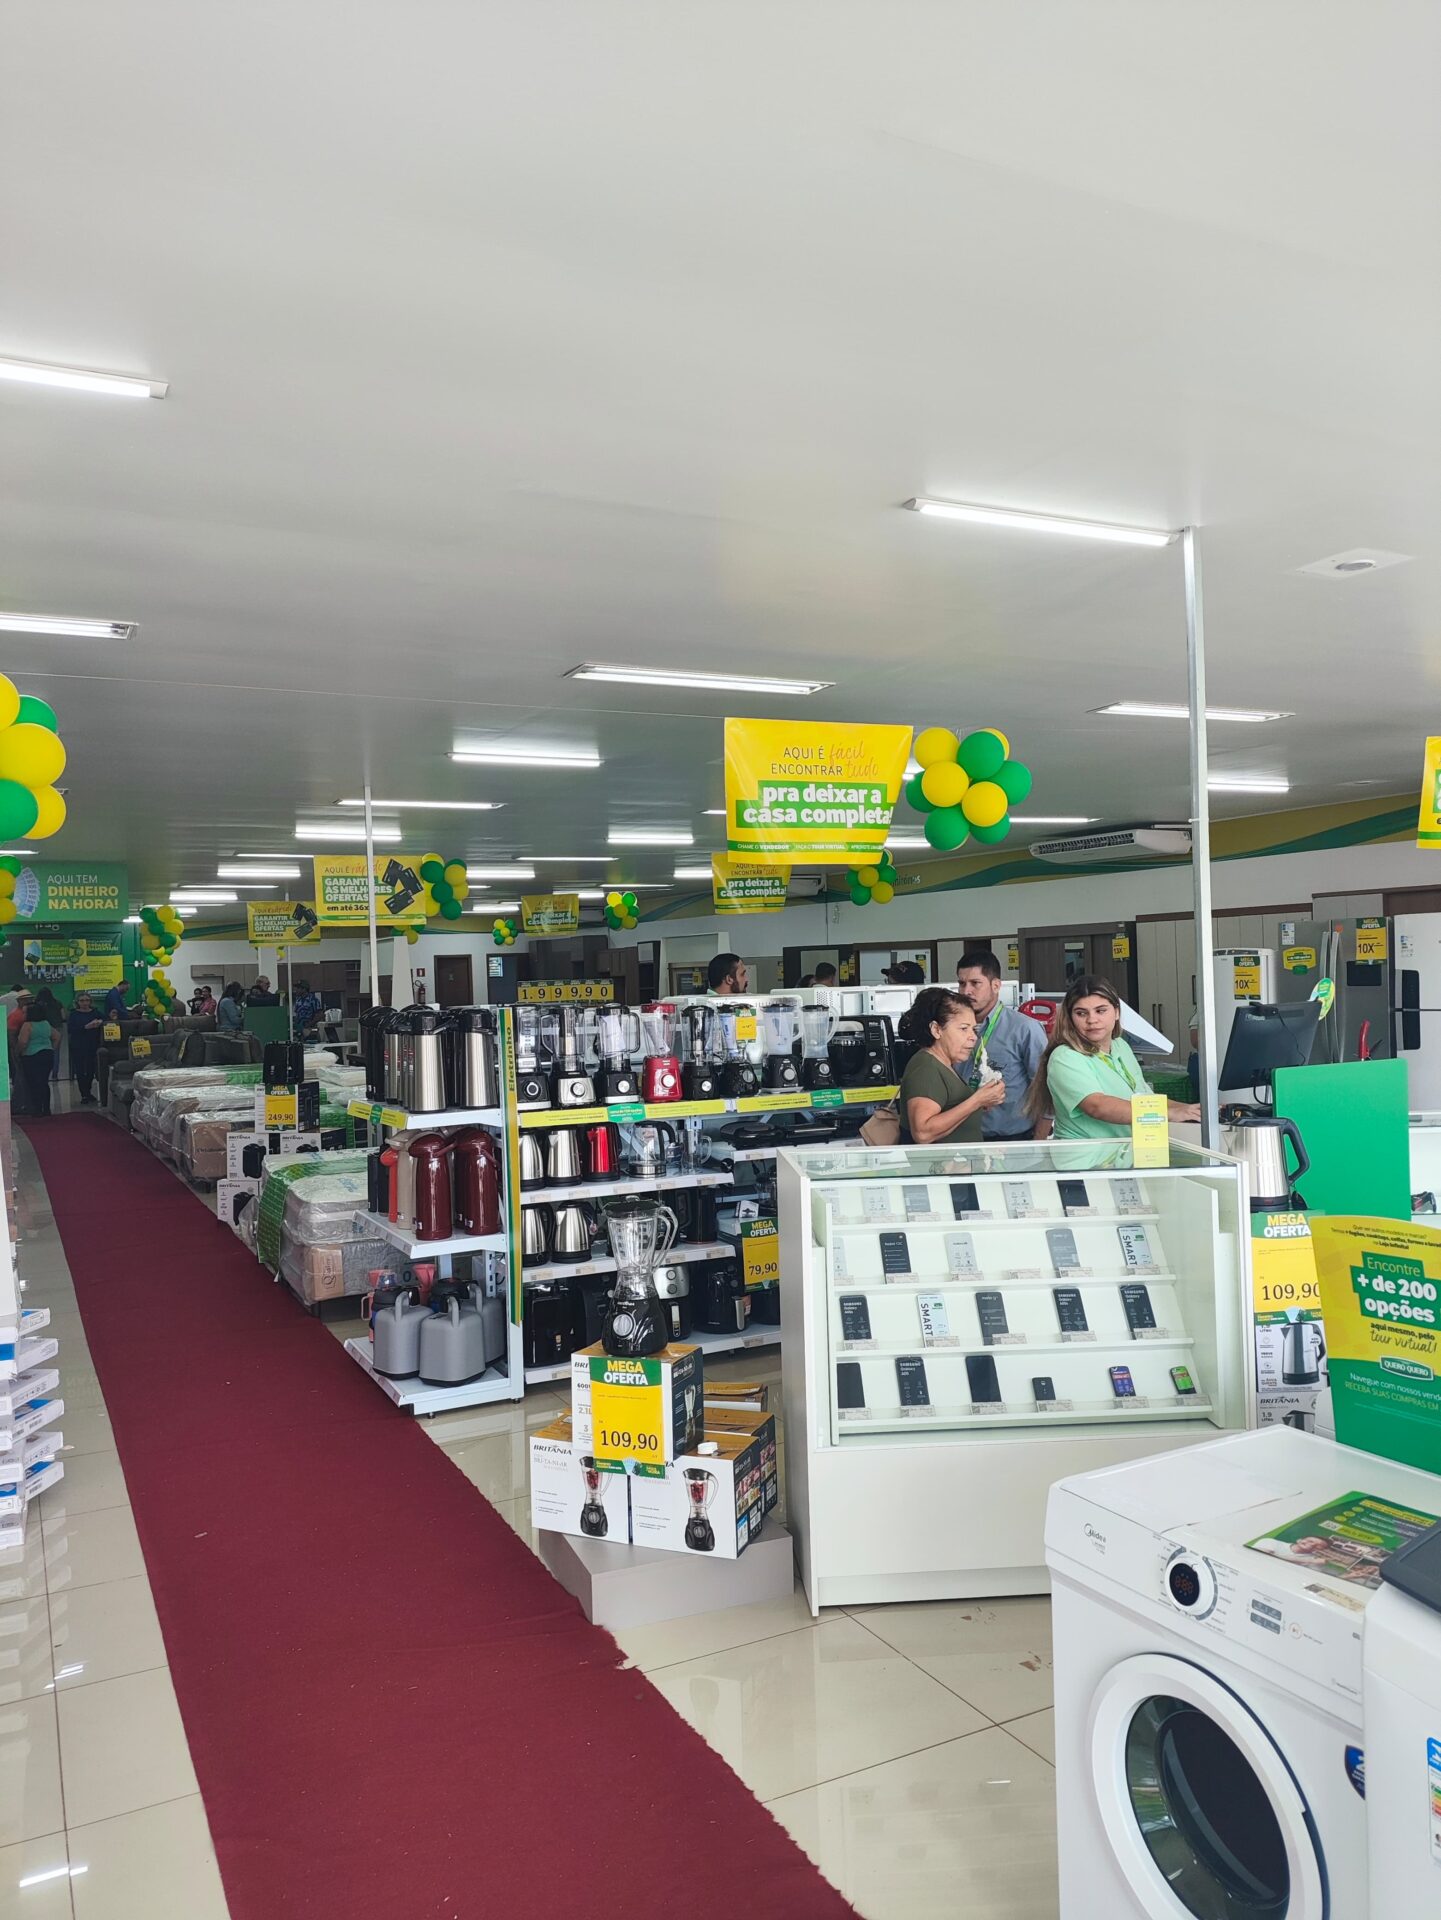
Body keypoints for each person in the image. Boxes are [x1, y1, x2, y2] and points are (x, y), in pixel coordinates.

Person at [1026, 975, 1200, 1139]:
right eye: (1081, 1013)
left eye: (1100, 1011)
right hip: (1085, 1157)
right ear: (1071, 1018)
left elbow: (1146, 1100)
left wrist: (1193, 1110)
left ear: (1116, 1012)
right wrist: (1169, 1113)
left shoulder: (1120, 1046)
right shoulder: (1065, 1056)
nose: (1092, 1020)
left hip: (1123, 1153)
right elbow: (1097, 1105)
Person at [954, 950, 1047, 1141]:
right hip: (960, 1137)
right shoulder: (950, 1028)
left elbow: (1046, 1091)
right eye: (962, 983)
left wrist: (1038, 1144)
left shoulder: (1024, 1029)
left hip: (1012, 1140)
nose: (966, 991)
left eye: (975, 983)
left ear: (996, 985)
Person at [895, 987, 1008, 1144]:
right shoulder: (926, 1068)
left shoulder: (944, 1064)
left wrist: (982, 1102)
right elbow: (923, 1133)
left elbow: (950, 1109)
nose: (973, 1037)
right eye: (963, 1029)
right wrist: (977, 1100)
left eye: (973, 1029)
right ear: (936, 1030)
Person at [18, 991, 60, 1116]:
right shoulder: (46, 1024)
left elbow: (23, 1042)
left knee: (34, 1083)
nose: (23, 1014)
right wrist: (52, 1048)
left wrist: (18, 1052)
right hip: (47, 1055)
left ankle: (37, 1109)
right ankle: (46, 1108)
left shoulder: (27, 1025)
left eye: (25, 1012)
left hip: (31, 1057)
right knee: (44, 1082)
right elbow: (57, 1036)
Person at [67, 992, 104, 1104]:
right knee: (80, 1070)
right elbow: (71, 1029)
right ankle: (84, 1094)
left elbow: (106, 1020)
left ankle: (88, 1091)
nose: (85, 1003)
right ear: (77, 1002)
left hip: (93, 1044)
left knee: (90, 1069)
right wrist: (86, 1027)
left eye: (87, 1000)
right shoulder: (74, 1014)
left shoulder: (95, 1012)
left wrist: (100, 1022)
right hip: (78, 1045)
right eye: (82, 1001)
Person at [7, 989, 33, 1112]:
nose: (29, 1001)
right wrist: (16, 1050)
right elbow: (11, 1035)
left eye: (30, 998)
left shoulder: (28, 1013)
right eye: (26, 999)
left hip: (26, 1049)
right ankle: (18, 1104)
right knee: (20, 1077)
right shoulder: (16, 1015)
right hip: (19, 1049)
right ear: (19, 1001)